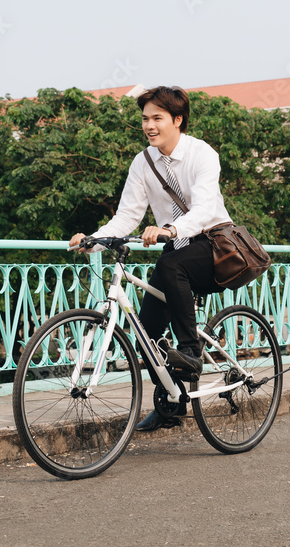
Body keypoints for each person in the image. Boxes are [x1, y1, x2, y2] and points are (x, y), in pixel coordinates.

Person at [69, 85, 232, 431]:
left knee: (171, 265)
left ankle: (190, 351)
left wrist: (170, 229)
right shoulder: (143, 163)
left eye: (157, 118)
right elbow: (127, 215)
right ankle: (170, 403)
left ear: (178, 119)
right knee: (147, 329)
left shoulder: (203, 155)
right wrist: (93, 239)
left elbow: (204, 209)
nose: (149, 125)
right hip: (177, 246)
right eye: (145, 119)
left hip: (213, 242)